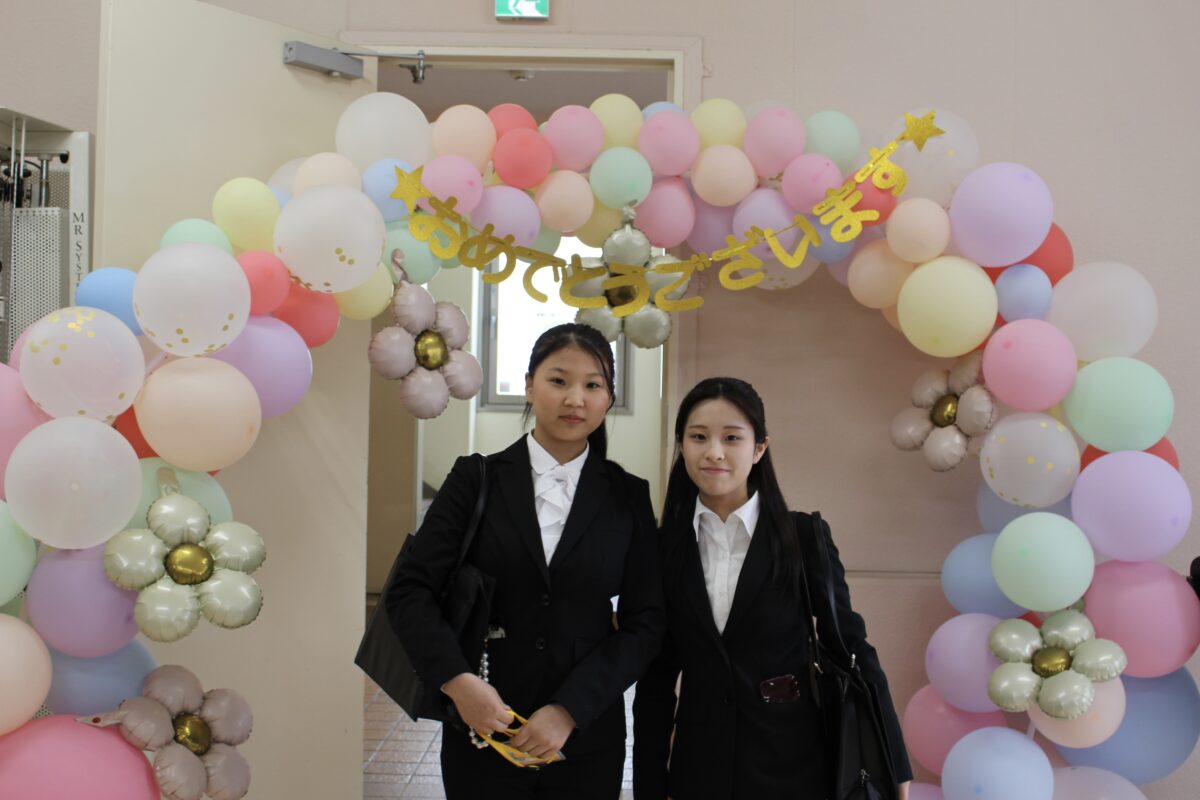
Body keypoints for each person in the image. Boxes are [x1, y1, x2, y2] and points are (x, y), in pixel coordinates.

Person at [387, 322, 664, 799]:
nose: (575, 398)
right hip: (483, 725)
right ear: (530, 386)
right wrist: (457, 681)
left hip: (584, 738)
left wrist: (570, 709)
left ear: (608, 398)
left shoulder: (628, 495)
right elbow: (410, 591)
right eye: (558, 380)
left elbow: (647, 621)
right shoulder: (475, 479)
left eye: (592, 385)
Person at [633, 377, 912, 799]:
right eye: (698, 437)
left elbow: (852, 648)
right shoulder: (663, 548)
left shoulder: (803, 537)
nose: (714, 452)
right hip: (701, 770)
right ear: (682, 445)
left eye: (732, 438)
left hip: (795, 769)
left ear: (760, 448)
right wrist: (649, 787)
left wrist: (894, 767)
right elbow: (656, 679)